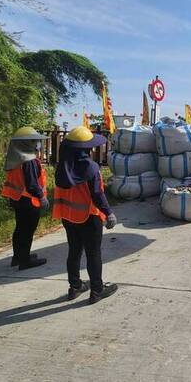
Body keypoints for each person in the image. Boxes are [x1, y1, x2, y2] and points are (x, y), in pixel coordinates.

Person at [53, 126, 118, 304]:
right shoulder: (91, 167)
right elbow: (97, 194)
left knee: (74, 251)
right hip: (89, 218)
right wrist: (109, 213)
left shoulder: (62, 168)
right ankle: (97, 290)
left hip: (68, 216)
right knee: (93, 254)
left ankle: (75, 287)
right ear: (85, 148)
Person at [1, 126, 50, 270]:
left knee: (20, 229)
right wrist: (42, 198)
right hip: (29, 200)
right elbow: (32, 184)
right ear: (27, 143)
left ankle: (18, 257)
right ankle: (25, 260)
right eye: (35, 141)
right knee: (27, 230)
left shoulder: (16, 158)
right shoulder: (29, 160)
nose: (37, 144)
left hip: (17, 198)